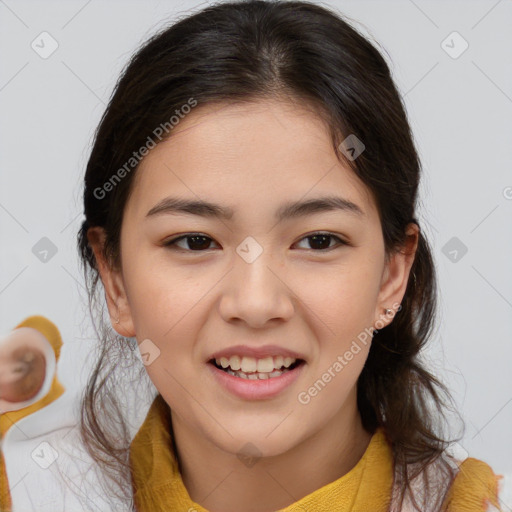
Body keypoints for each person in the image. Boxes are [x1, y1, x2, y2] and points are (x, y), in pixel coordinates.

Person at [76, 1, 506, 511]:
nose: (256, 304)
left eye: (318, 241)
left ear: (393, 274)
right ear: (115, 279)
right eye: (194, 241)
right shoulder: (26, 493)